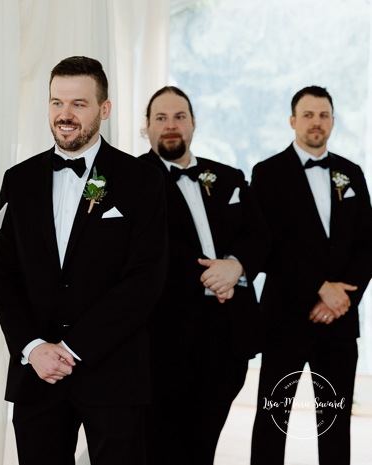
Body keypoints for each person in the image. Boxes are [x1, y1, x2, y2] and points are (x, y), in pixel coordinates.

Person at [0, 56, 168, 465]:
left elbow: (146, 277)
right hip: (37, 374)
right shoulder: (18, 179)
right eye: (56, 103)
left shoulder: (141, 179)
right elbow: (5, 273)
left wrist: (73, 347)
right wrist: (34, 348)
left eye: (78, 104)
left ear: (104, 109)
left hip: (114, 373)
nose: (64, 115)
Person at [138, 86, 270, 464]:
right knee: (162, 443)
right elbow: (152, 246)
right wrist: (213, 276)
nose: (171, 126)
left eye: (179, 117)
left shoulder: (227, 176)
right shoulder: (135, 179)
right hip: (166, 337)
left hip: (229, 334)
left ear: (193, 123)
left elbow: (259, 232)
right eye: (161, 118)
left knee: (204, 442)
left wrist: (237, 265)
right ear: (146, 127)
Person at [250, 86, 372, 465]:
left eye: (323, 115)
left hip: (338, 322)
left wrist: (342, 298)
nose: (316, 122)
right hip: (285, 319)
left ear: (333, 121)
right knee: (274, 416)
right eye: (308, 115)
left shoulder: (351, 173)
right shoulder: (267, 173)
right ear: (293, 121)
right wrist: (321, 289)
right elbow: (268, 247)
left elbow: (367, 243)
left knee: (335, 420)